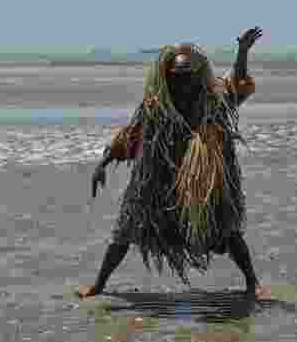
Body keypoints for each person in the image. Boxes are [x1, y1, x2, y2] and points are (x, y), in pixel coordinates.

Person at [75, 27, 270, 300]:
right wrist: (103, 163)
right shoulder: (157, 105)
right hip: (159, 179)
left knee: (227, 229)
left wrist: (242, 52)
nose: (183, 82)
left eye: (188, 76)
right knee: (126, 227)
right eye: (177, 76)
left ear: (197, 75)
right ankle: (98, 285)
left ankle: (252, 283)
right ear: (168, 75)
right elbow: (131, 135)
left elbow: (237, 83)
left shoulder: (212, 101)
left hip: (202, 184)